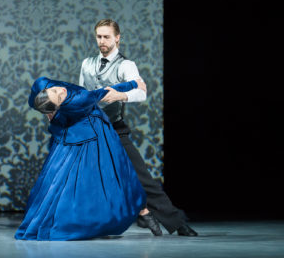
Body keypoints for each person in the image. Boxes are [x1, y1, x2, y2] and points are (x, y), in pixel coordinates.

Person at [79, 19, 198, 237]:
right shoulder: (87, 63)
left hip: (114, 129)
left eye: (106, 36)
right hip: (92, 130)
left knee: (143, 179)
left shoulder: (126, 65)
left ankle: (177, 223)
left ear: (117, 38)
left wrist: (121, 94)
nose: (102, 41)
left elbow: (141, 92)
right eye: (99, 36)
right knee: (87, 179)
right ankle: (134, 215)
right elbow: (81, 94)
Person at [14, 76, 147, 241]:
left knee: (62, 177)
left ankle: (142, 211)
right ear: (58, 105)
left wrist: (49, 111)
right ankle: (76, 222)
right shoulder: (80, 100)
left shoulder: (41, 84)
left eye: (54, 90)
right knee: (82, 179)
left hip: (71, 128)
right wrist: (135, 84)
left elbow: (32, 101)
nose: (61, 90)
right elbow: (105, 92)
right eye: (59, 97)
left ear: (45, 90)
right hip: (89, 131)